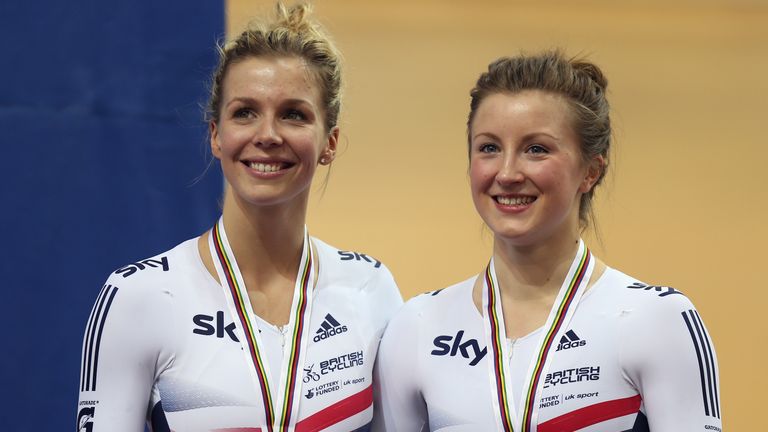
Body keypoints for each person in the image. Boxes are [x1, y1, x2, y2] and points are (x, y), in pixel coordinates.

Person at [76, 3, 403, 431]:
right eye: (245, 112)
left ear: (330, 142)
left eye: (294, 114)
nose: (267, 135)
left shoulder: (370, 290)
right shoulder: (138, 298)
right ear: (215, 135)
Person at [373, 51, 721, 431]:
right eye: (489, 147)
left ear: (590, 170)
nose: (506, 173)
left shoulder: (656, 320)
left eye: (536, 149)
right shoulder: (418, 326)